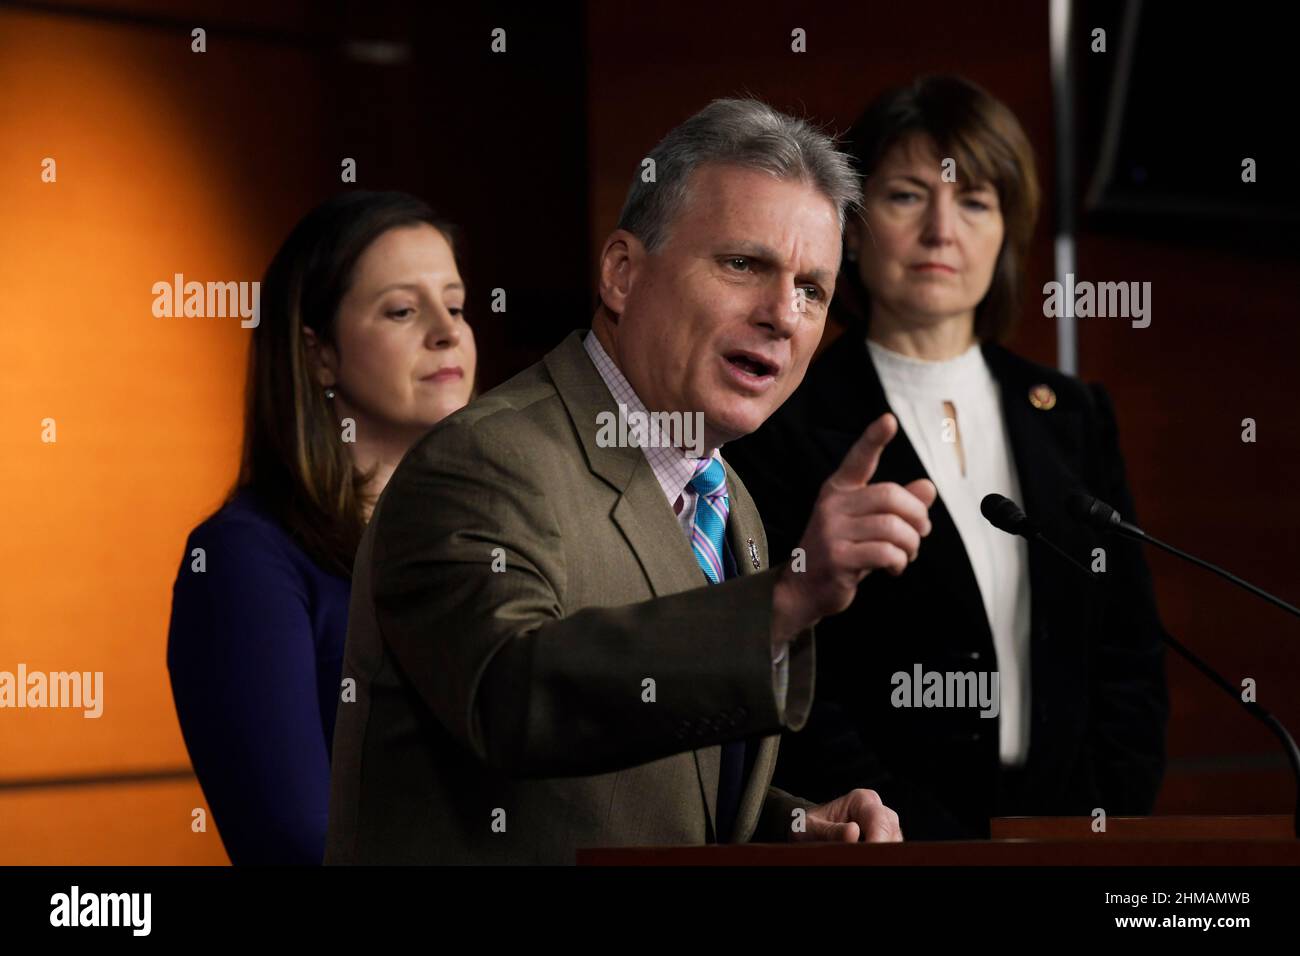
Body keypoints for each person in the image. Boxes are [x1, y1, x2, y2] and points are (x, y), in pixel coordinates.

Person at [326, 98, 939, 864]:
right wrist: (781, 604)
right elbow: (512, 700)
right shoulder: (483, 461)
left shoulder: (728, 499)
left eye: (812, 289)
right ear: (622, 272)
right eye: (744, 264)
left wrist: (791, 827)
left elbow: (651, 789)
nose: (784, 315)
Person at [726, 75, 1168, 840]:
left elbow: (1129, 658)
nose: (942, 230)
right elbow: (793, 672)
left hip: (1071, 839)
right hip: (889, 840)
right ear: (853, 230)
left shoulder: (1073, 416)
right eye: (906, 196)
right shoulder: (786, 417)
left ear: (1006, 232)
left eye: (974, 201)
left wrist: (1095, 827)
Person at [167, 191, 477, 864]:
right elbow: (298, 840)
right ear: (320, 354)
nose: (447, 331)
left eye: (454, 305)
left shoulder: (491, 537)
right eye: (402, 309)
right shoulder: (242, 558)